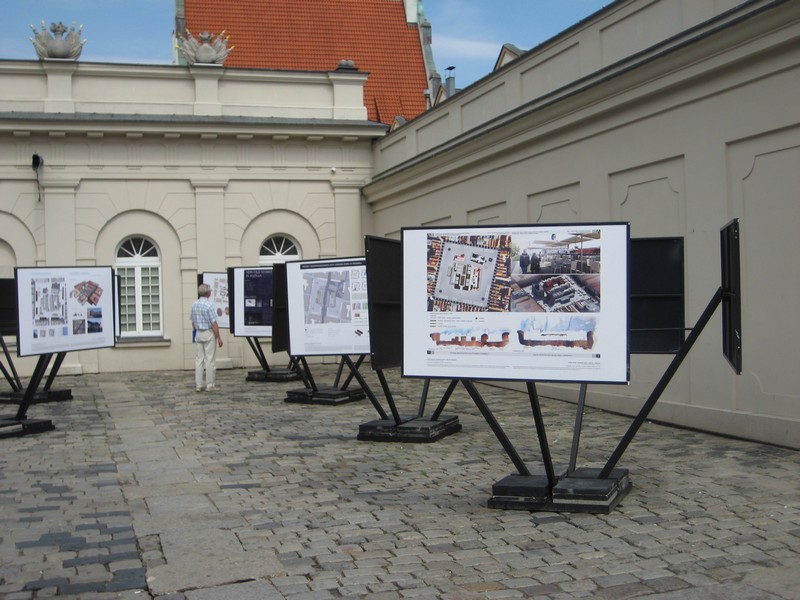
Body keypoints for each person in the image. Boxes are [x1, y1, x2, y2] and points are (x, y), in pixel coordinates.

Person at [191, 283, 223, 392]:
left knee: (199, 360)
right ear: (208, 293)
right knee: (210, 360)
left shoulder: (194, 304)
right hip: (208, 333)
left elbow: (193, 323)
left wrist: (195, 332)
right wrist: (218, 337)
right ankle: (210, 385)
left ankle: (198, 385)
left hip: (198, 333)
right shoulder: (209, 305)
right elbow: (214, 323)